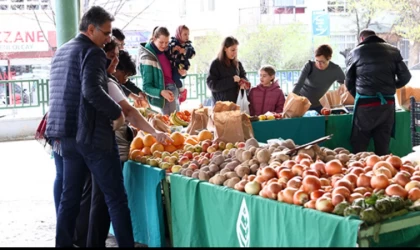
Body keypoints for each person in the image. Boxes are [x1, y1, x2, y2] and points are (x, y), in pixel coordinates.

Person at [45, 6, 134, 247]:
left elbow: (67, 92)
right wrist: (117, 113)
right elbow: (91, 90)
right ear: (91, 29)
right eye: (105, 33)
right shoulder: (93, 52)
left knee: (69, 198)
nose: (108, 39)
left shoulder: (61, 52)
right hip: (92, 136)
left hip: (65, 136)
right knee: (115, 199)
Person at [83, 49, 172, 247]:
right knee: (115, 202)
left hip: (94, 145)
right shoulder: (106, 82)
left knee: (100, 201)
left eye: (116, 57)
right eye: (111, 57)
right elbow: (129, 112)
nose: (115, 61)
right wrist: (153, 132)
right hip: (106, 146)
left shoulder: (95, 81)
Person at [345, 29, 411, 156]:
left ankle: (359, 172)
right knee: (382, 144)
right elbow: (406, 76)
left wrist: (358, 95)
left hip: (365, 105)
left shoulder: (355, 53)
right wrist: (392, 86)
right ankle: (385, 171)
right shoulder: (393, 51)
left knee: (360, 145)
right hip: (387, 103)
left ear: (362, 39)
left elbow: (349, 81)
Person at [138, 26, 186, 115]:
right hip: (166, 95)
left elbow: (171, 71)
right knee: (171, 126)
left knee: (176, 124)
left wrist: (180, 72)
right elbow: (146, 87)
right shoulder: (147, 57)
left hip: (174, 91)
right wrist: (161, 92)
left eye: (166, 42)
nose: (164, 45)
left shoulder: (167, 51)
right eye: (161, 42)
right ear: (153, 38)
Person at [292, 44, 345, 114]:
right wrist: (291, 100)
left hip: (317, 105)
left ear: (329, 58)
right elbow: (299, 85)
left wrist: (343, 85)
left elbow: (346, 82)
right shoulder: (309, 66)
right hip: (301, 103)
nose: (319, 64)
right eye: (317, 60)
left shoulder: (335, 69)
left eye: (322, 62)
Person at [206, 36, 249, 103]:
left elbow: (244, 77)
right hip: (221, 106)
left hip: (237, 104)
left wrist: (243, 84)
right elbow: (212, 85)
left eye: (236, 50)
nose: (235, 53)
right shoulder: (215, 64)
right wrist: (232, 80)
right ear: (225, 48)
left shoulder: (238, 63)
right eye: (232, 50)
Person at [166, 25, 195, 104]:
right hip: (172, 66)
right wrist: (173, 49)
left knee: (175, 78)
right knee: (173, 79)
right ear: (179, 34)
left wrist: (185, 51)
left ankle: (182, 91)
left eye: (188, 34)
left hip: (181, 67)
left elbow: (193, 54)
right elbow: (167, 51)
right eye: (185, 34)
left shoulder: (188, 45)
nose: (187, 36)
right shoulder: (172, 43)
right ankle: (179, 93)